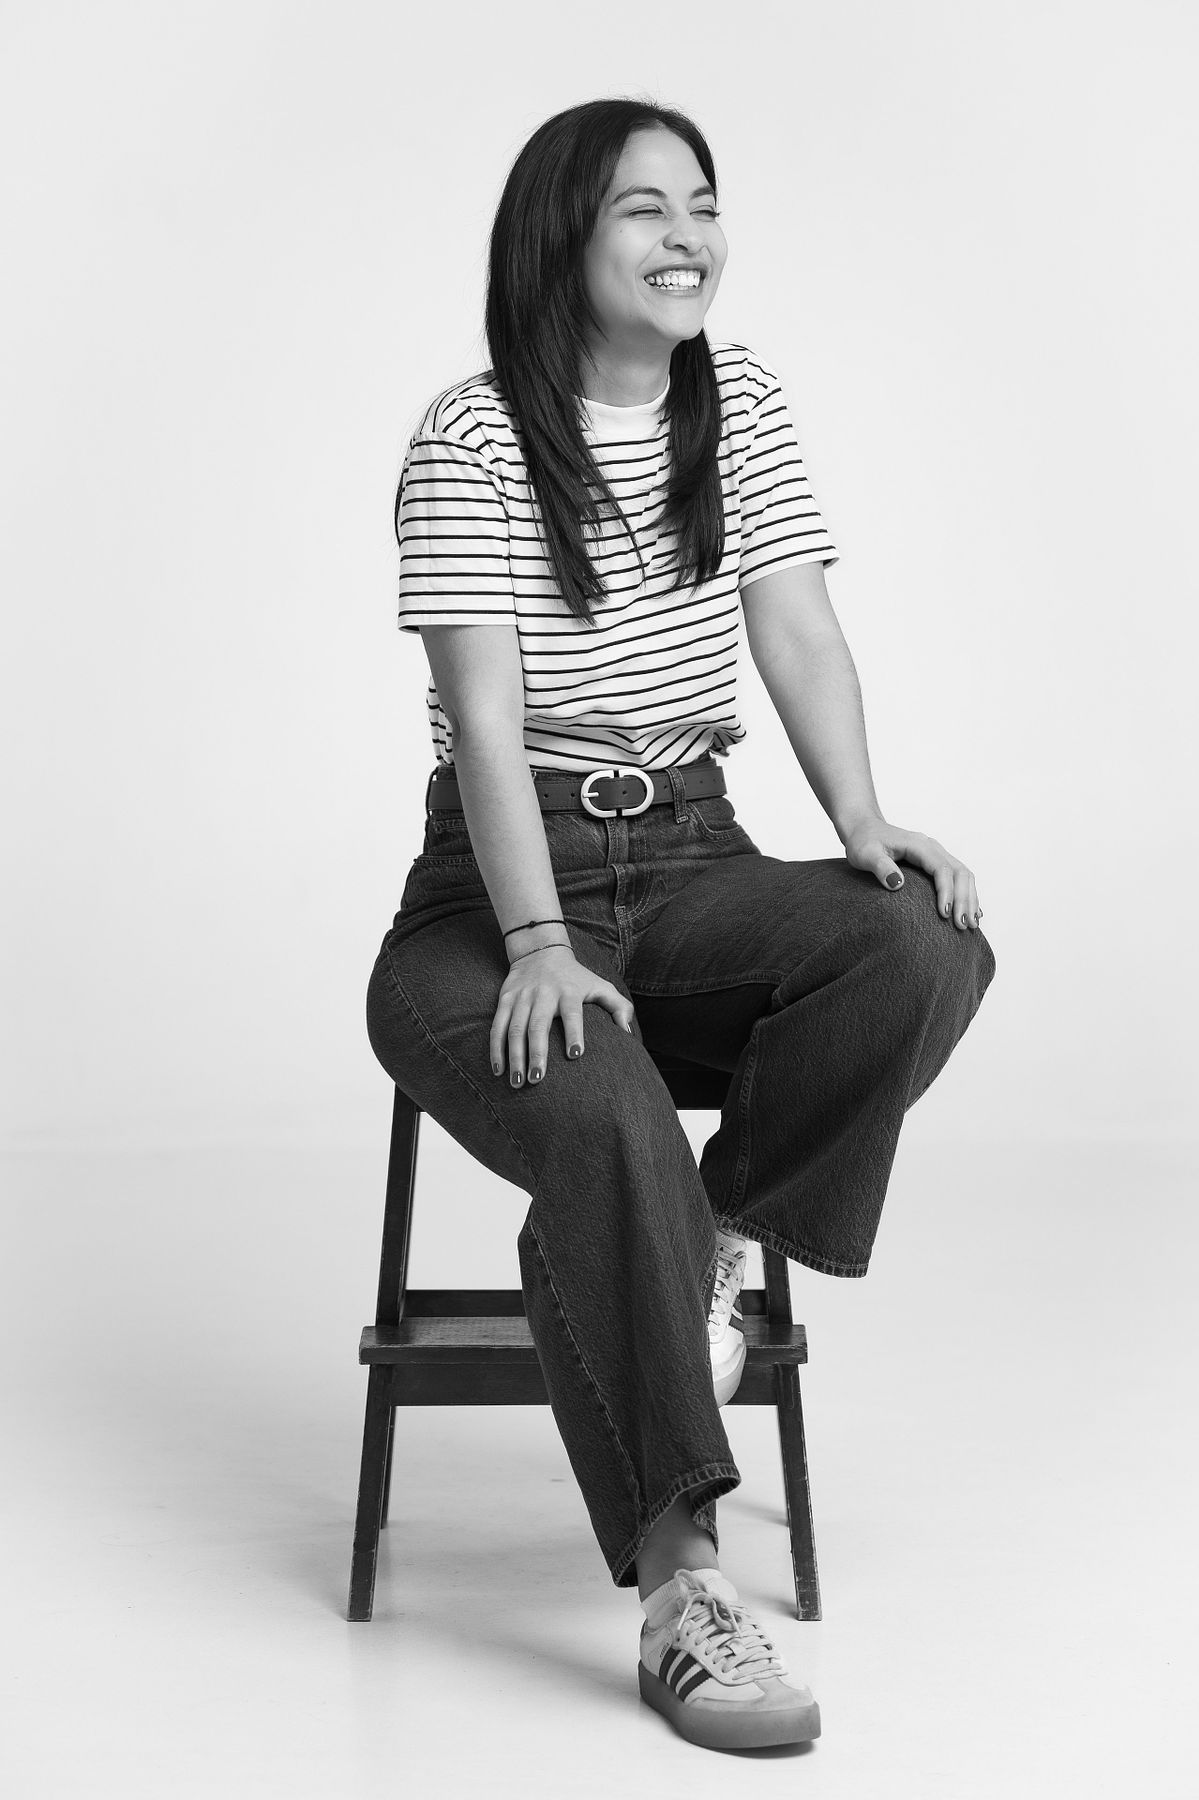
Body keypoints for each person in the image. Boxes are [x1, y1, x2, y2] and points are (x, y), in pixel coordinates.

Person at [365, 96, 995, 1753]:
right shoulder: (472, 437)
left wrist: (862, 824)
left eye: (702, 202)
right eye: (644, 208)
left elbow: (798, 629)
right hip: (495, 889)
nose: (687, 235)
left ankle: (706, 1242)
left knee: (920, 942)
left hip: (697, 851)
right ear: (560, 239)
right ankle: (680, 1588)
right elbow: (486, 721)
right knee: (606, 1107)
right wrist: (536, 943)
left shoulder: (743, 401)